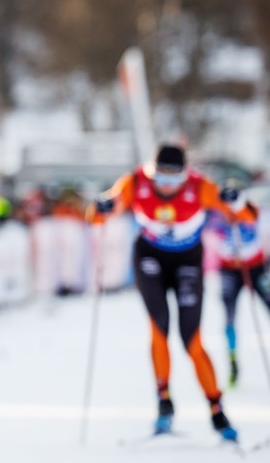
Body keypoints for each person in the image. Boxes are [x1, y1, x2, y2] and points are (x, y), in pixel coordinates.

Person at [89, 143, 250, 440]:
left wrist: (236, 200)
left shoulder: (200, 187)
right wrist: (102, 207)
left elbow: (246, 215)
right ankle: (164, 402)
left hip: (187, 260)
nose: (166, 185)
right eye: (161, 176)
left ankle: (217, 410)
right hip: (150, 257)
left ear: (185, 175)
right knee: (158, 328)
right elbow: (101, 213)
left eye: (174, 178)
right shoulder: (136, 182)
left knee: (192, 339)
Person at [209, 182, 270, 387]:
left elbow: (255, 219)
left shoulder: (249, 208)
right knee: (229, 316)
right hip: (229, 270)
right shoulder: (216, 213)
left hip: (256, 267)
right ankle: (233, 360)